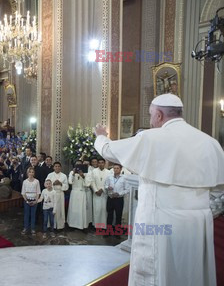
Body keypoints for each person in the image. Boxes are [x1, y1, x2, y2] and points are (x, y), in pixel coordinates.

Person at [94, 93, 224, 286]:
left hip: (159, 223)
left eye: (151, 115)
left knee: (157, 274)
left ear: (160, 116)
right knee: (190, 273)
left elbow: (109, 151)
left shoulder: (151, 138)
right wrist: (201, 212)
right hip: (197, 224)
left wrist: (101, 137)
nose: (152, 121)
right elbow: (218, 191)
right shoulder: (209, 142)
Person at [104, 164, 128, 237]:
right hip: (110, 198)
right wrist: (108, 187)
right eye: (114, 168)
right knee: (109, 216)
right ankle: (108, 232)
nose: (116, 170)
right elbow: (105, 185)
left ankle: (117, 233)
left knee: (118, 216)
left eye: (117, 168)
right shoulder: (109, 177)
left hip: (119, 199)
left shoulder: (124, 178)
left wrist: (119, 194)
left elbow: (127, 189)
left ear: (120, 169)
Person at [67, 163, 92, 230]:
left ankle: (82, 226)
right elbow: (70, 182)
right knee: (73, 210)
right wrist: (73, 174)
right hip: (74, 193)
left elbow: (88, 184)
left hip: (82, 193)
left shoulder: (87, 173)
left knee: (82, 210)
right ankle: (72, 225)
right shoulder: (72, 172)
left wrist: (83, 176)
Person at [90, 158, 111, 229]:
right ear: (98, 164)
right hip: (96, 194)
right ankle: (96, 226)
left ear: (104, 164)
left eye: (102, 162)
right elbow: (92, 182)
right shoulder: (94, 171)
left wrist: (102, 189)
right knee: (96, 210)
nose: (101, 164)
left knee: (104, 210)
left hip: (104, 193)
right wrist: (96, 190)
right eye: (99, 163)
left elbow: (109, 182)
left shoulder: (109, 172)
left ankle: (103, 226)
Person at [21, 167, 41, 236]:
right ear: (27, 173)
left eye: (32, 172)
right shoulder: (25, 181)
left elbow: (38, 192)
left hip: (34, 200)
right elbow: (23, 192)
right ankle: (26, 228)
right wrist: (26, 200)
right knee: (26, 215)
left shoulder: (37, 181)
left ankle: (32, 228)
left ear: (34, 173)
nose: (31, 173)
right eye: (30, 172)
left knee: (33, 215)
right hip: (27, 200)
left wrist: (36, 201)